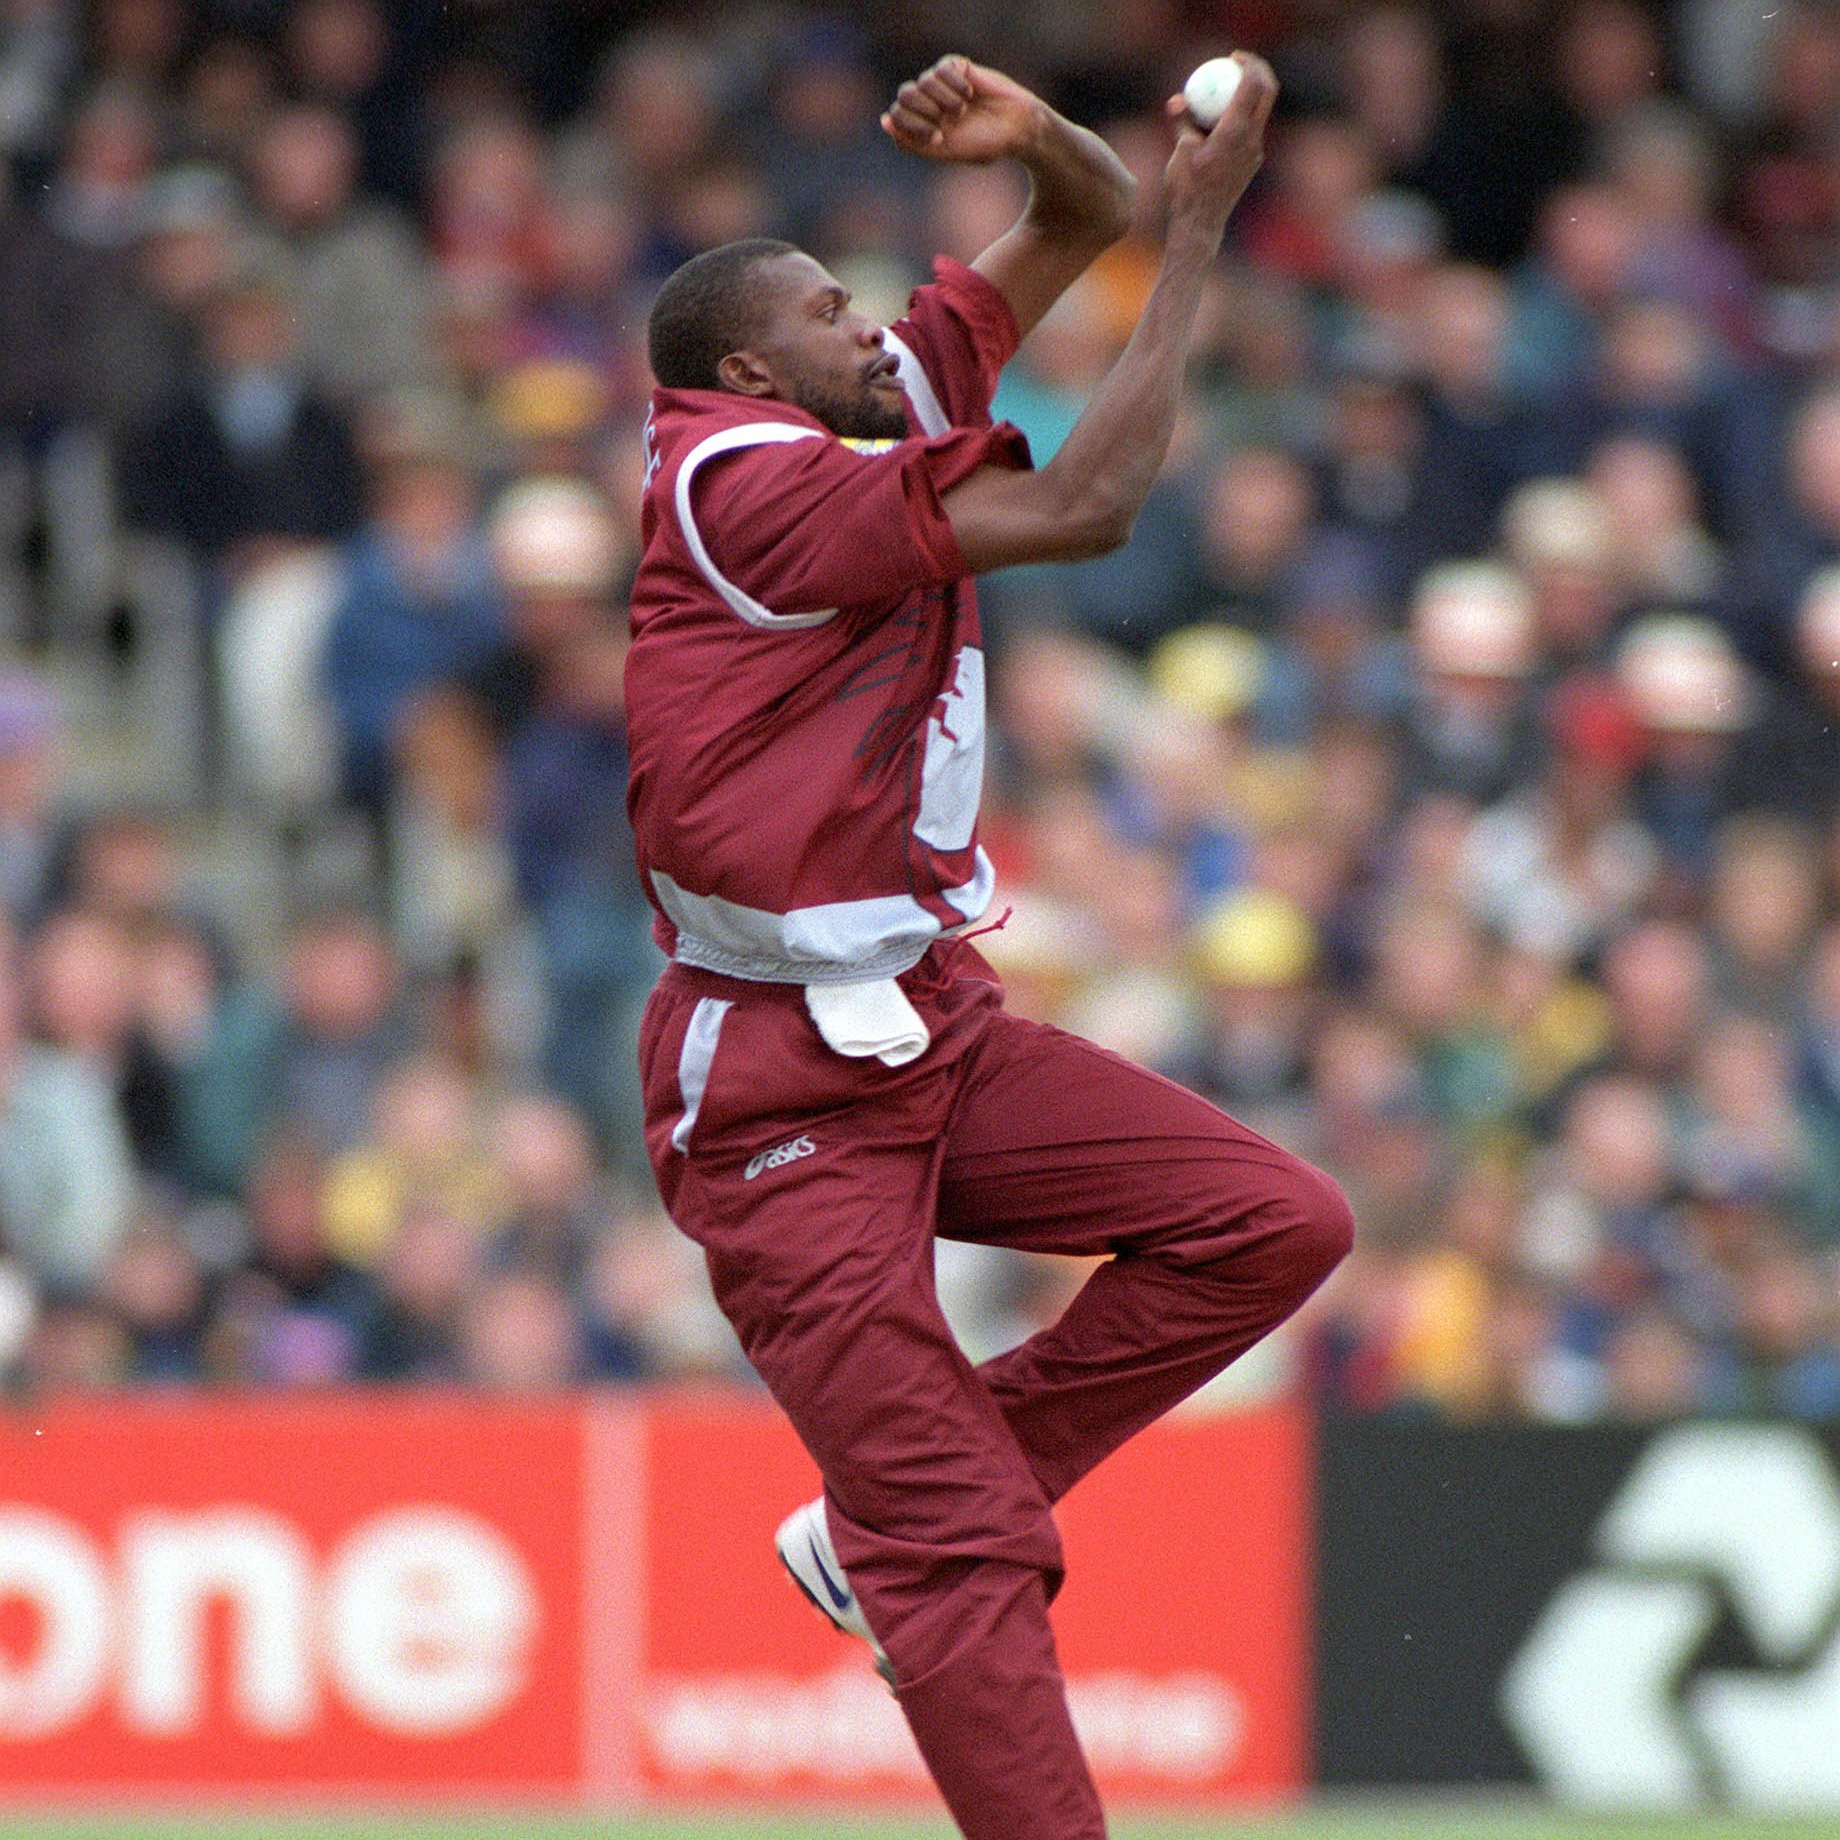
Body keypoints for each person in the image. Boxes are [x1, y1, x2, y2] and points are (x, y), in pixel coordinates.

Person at [625, 53, 1351, 1840]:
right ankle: (918, 1522)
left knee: (1275, 1222)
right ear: (746, 372)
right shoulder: (749, 485)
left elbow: (1072, 216)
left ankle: (892, 1505)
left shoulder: (856, 418)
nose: (876, 323)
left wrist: (1047, 145)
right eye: (824, 313)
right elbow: (1092, 503)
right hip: (775, 1073)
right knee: (958, 1559)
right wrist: (1197, 236)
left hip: (929, 1021)